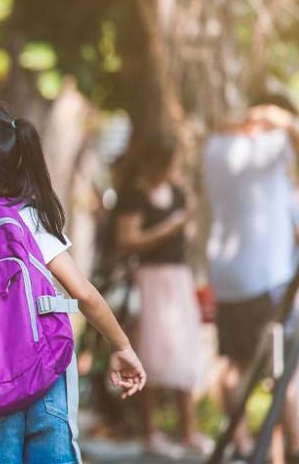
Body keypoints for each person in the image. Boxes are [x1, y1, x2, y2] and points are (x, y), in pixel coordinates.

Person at [0, 105, 146, 464]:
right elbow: (83, 294)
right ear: (18, 155)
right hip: (44, 379)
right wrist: (121, 345)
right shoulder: (29, 218)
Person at [203, 93, 299, 462]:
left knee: (234, 364)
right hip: (266, 276)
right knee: (285, 364)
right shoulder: (272, 147)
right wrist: (282, 121)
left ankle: (241, 445)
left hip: (226, 274)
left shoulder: (216, 147)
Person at [115, 133, 208, 458]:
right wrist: (170, 227)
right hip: (150, 279)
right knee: (149, 352)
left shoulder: (179, 193)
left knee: (183, 352)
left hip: (178, 278)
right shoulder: (135, 195)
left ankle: (188, 430)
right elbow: (128, 240)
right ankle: (150, 432)